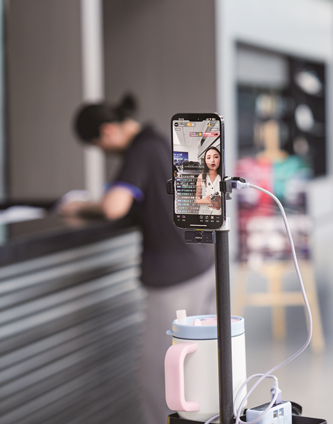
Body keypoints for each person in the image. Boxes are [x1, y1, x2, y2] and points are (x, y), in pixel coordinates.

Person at [60, 94, 216, 424]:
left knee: (157, 377)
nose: (105, 152)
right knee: (192, 368)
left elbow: (113, 206)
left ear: (107, 132)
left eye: (99, 146)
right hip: (200, 267)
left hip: (175, 281)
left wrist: (78, 208)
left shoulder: (140, 150)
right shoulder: (158, 141)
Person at [195, 146, 222, 215]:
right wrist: (205, 200)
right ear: (205, 161)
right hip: (204, 215)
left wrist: (221, 202)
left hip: (219, 214)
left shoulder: (223, 178)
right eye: (208, 158)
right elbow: (197, 199)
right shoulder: (201, 177)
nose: (212, 160)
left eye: (216, 157)